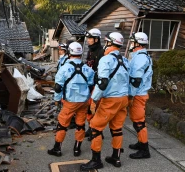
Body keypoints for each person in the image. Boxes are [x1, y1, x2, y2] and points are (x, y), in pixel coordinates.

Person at [80, 32, 129, 171]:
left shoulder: (105, 60)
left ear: (108, 42)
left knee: (95, 128)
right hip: (123, 98)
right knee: (117, 128)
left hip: (110, 99)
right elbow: (130, 81)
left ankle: (96, 161)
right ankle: (116, 157)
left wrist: (94, 99)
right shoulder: (125, 60)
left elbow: (102, 83)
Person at [48, 42, 94, 157]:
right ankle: (77, 149)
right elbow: (91, 85)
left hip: (70, 101)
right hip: (84, 101)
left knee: (62, 124)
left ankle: (57, 148)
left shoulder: (64, 69)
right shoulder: (88, 69)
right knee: (80, 124)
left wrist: (57, 100)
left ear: (69, 52)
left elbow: (58, 87)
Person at [128, 32, 153, 159]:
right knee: (136, 120)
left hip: (137, 94)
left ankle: (145, 149)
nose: (131, 44)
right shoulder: (142, 55)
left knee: (139, 122)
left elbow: (135, 80)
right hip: (139, 93)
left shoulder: (140, 58)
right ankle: (140, 142)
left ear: (137, 43)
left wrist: (130, 96)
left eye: (133, 41)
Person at [84, 28, 104, 139]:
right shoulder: (90, 51)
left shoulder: (101, 52)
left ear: (96, 39)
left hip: (97, 85)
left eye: (90, 38)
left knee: (95, 108)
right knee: (89, 108)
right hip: (89, 84)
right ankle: (91, 127)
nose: (88, 40)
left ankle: (97, 131)